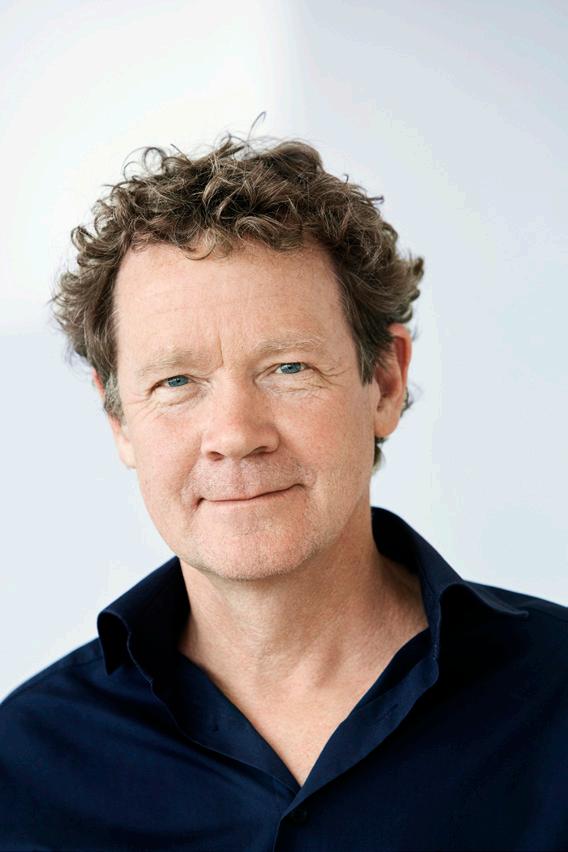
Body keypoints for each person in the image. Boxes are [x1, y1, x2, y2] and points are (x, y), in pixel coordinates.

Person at [0, 134, 566, 852]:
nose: (235, 434)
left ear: (384, 382)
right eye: (176, 381)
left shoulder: (556, 699)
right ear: (119, 420)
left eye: (288, 367)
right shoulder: (26, 765)